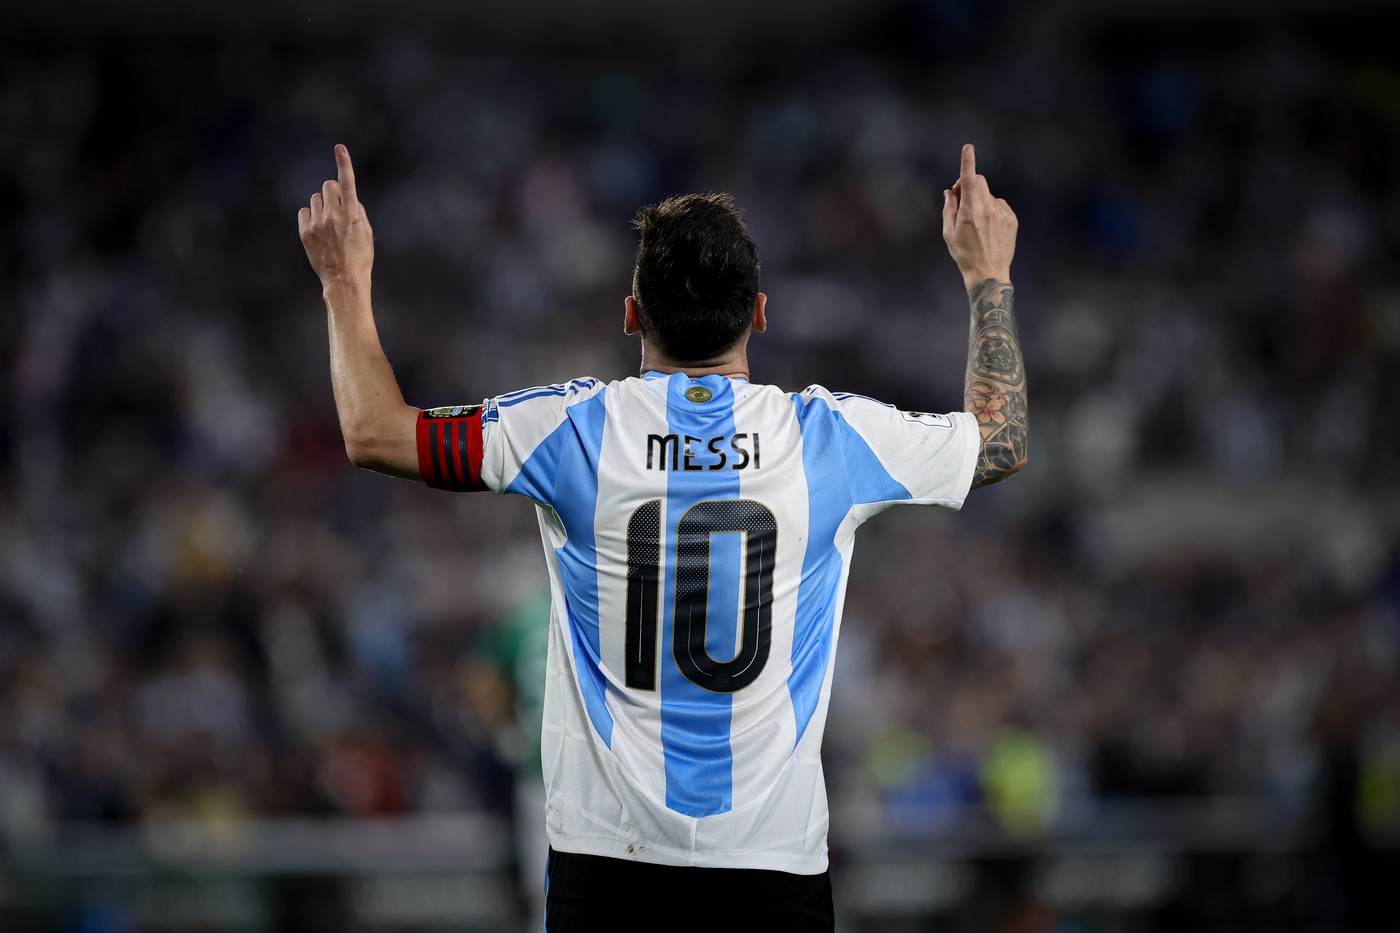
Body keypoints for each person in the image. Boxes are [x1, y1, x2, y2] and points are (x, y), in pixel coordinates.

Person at [298, 142, 1025, 932]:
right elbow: (1000, 439)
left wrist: (345, 280)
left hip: (610, 867)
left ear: (631, 314)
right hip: (771, 867)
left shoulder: (571, 428)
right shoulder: (830, 437)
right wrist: (987, 274)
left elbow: (374, 431)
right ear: (760, 313)